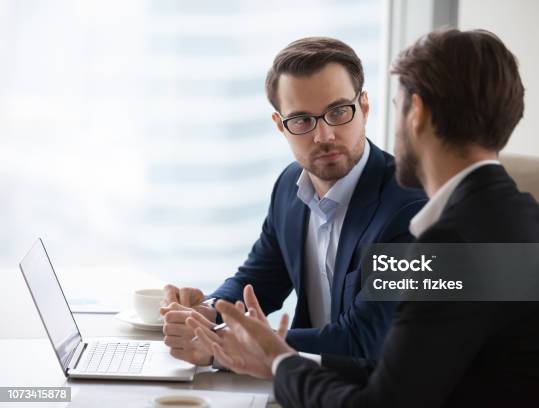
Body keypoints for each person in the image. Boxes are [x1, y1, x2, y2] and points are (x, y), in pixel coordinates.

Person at [196, 29, 539, 407]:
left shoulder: (449, 247)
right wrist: (257, 347)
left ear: (416, 113)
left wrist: (277, 361)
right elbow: (405, 374)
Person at [160, 37, 427, 366]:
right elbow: (259, 280)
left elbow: (364, 338)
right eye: (302, 120)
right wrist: (206, 312)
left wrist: (222, 342)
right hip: (300, 384)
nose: (324, 135)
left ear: (365, 108)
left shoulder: (409, 207)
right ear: (280, 126)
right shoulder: (289, 186)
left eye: (339, 111)